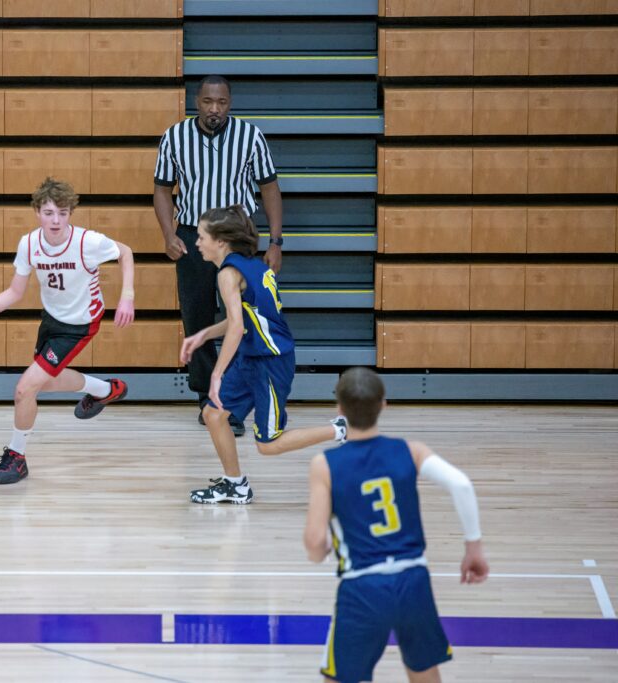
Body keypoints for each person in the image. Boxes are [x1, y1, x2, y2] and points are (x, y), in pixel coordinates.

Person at [304, 367, 489, 683]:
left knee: (338, 678)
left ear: (340, 410)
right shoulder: (410, 450)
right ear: (383, 405)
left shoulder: (325, 465)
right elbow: (461, 484)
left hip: (362, 586)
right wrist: (473, 547)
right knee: (423, 672)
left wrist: (320, 551)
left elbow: (314, 544)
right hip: (413, 580)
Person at [0, 177, 135, 485]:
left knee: (25, 388)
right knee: (45, 384)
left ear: (70, 214)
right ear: (37, 211)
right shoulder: (29, 244)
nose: (56, 220)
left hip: (79, 324)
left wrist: (127, 296)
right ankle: (105, 390)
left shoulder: (86, 242)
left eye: (63, 213)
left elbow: (125, 252)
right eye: (49, 212)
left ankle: (17, 457)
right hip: (51, 320)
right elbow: (14, 292)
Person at [180, 206, 347, 504]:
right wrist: (203, 334)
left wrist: (215, 374)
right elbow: (244, 317)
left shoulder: (229, 274)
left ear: (220, 241)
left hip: (271, 361)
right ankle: (235, 485)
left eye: (202, 236)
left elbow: (237, 326)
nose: (197, 242)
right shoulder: (251, 264)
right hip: (252, 355)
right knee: (213, 414)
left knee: (268, 445)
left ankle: (338, 430)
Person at [154, 74, 284, 437]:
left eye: (222, 103)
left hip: (238, 241)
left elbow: (270, 188)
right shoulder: (175, 137)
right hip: (194, 238)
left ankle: (235, 401)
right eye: (209, 102)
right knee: (195, 317)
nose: (215, 109)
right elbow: (162, 190)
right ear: (198, 101)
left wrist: (275, 242)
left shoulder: (250, 136)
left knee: (240, 319)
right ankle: (207, 398)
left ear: (230, 103)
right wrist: (168, 235)